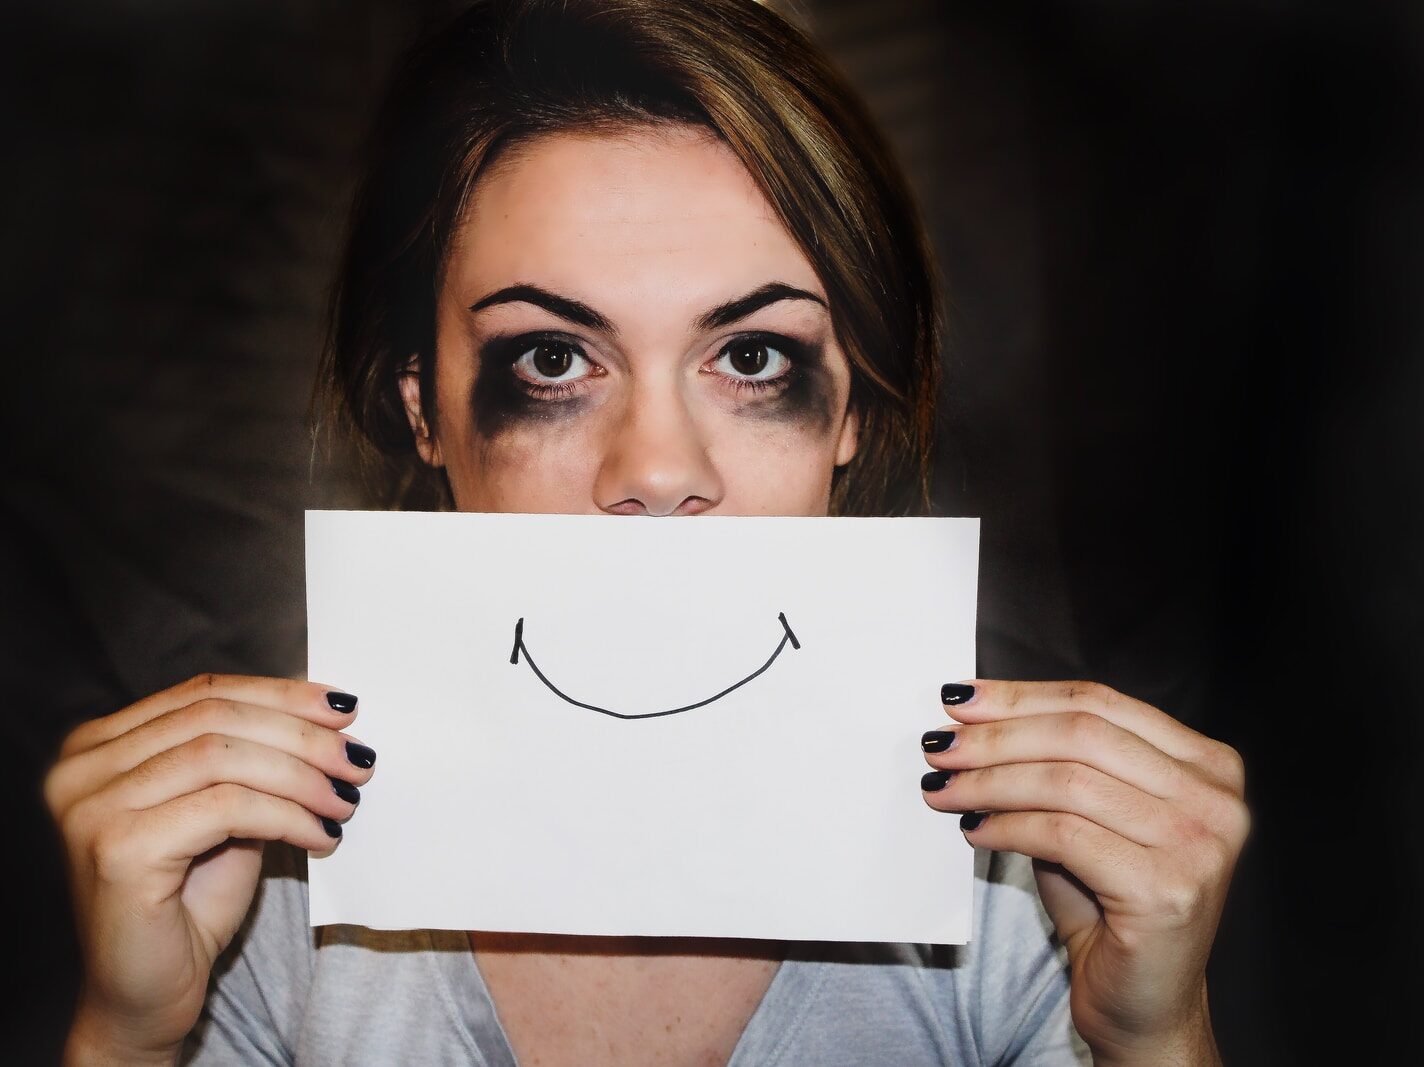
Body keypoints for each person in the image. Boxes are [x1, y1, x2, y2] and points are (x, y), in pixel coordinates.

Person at [44, 1, 1249, 1064]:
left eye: (752, 356)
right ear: (423, 407)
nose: (657, 470)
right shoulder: (262, 892)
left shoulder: (1027, 890)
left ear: (852, 414)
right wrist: (128, 1036)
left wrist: (1152, 1038)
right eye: (554, 358)